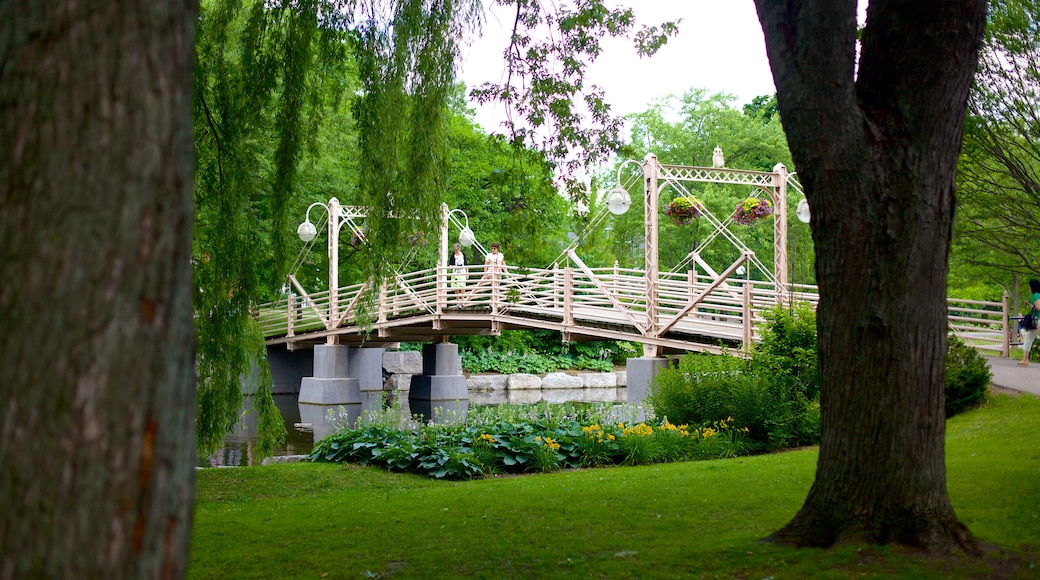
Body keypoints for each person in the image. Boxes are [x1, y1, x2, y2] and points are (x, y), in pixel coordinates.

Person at [1018, 279, 1040, 367]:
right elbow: (1036, 306)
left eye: (1029, 287)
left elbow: (1038, 307)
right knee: (1028, 338)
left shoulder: (1036, 295)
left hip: (1037, 320)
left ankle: (1025, 360)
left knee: (1028, 339)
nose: (1029, 288)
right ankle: (1025, 359)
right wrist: (1028, 304)